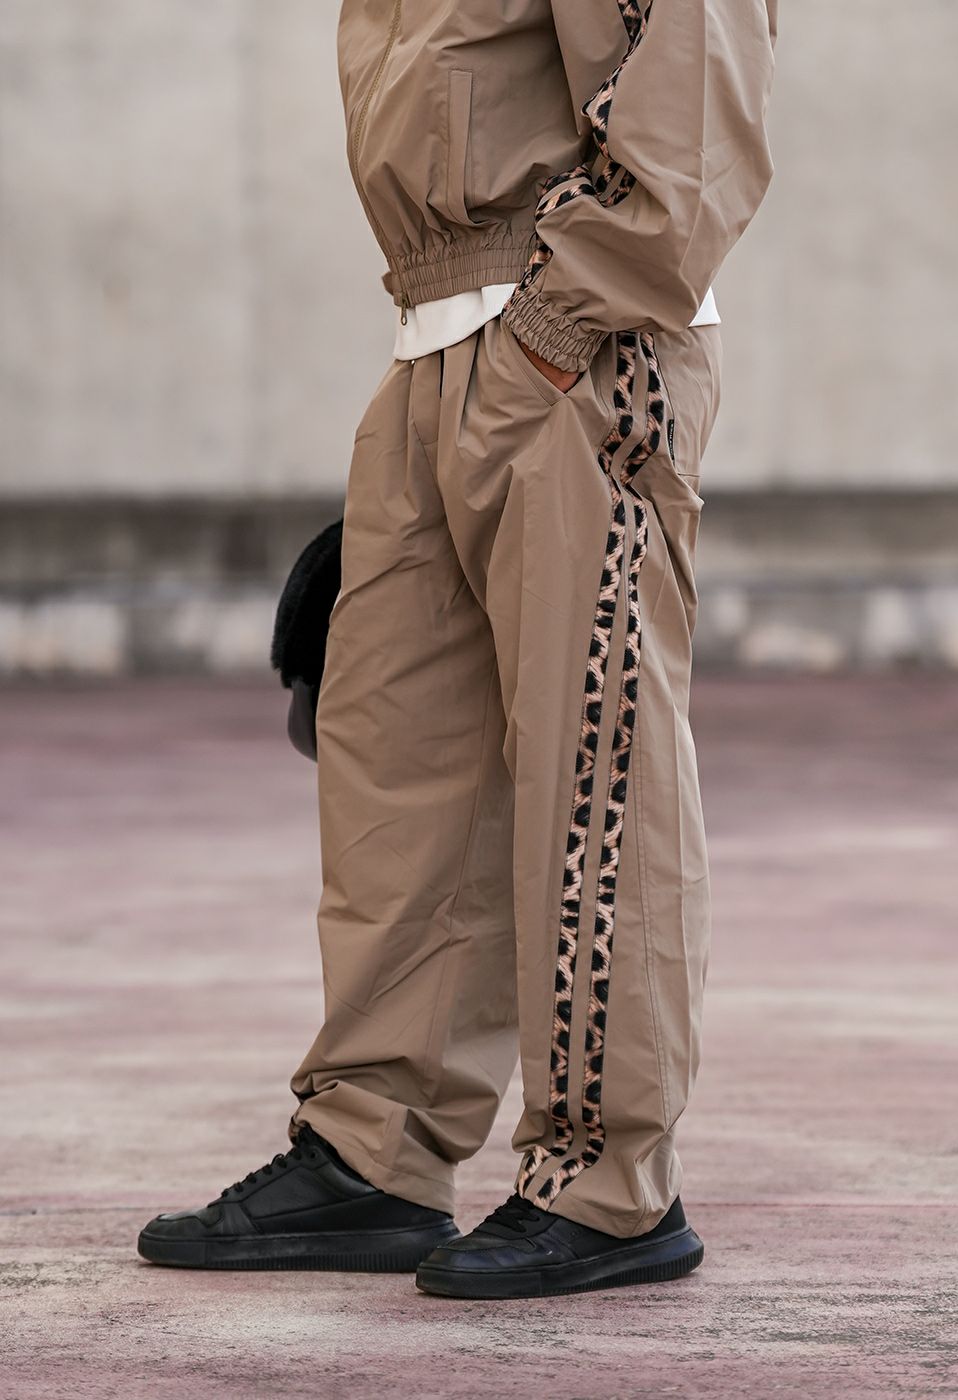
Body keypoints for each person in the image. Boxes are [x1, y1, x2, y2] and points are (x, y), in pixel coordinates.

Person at [138, 0, 777, 1299]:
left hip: (580, 344)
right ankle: (375, 1151)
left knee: (595, 766)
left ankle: (606, 1183)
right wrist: (457, 362)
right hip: (437, 337)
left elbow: (690, 94)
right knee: (396, 761)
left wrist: (556, 325)